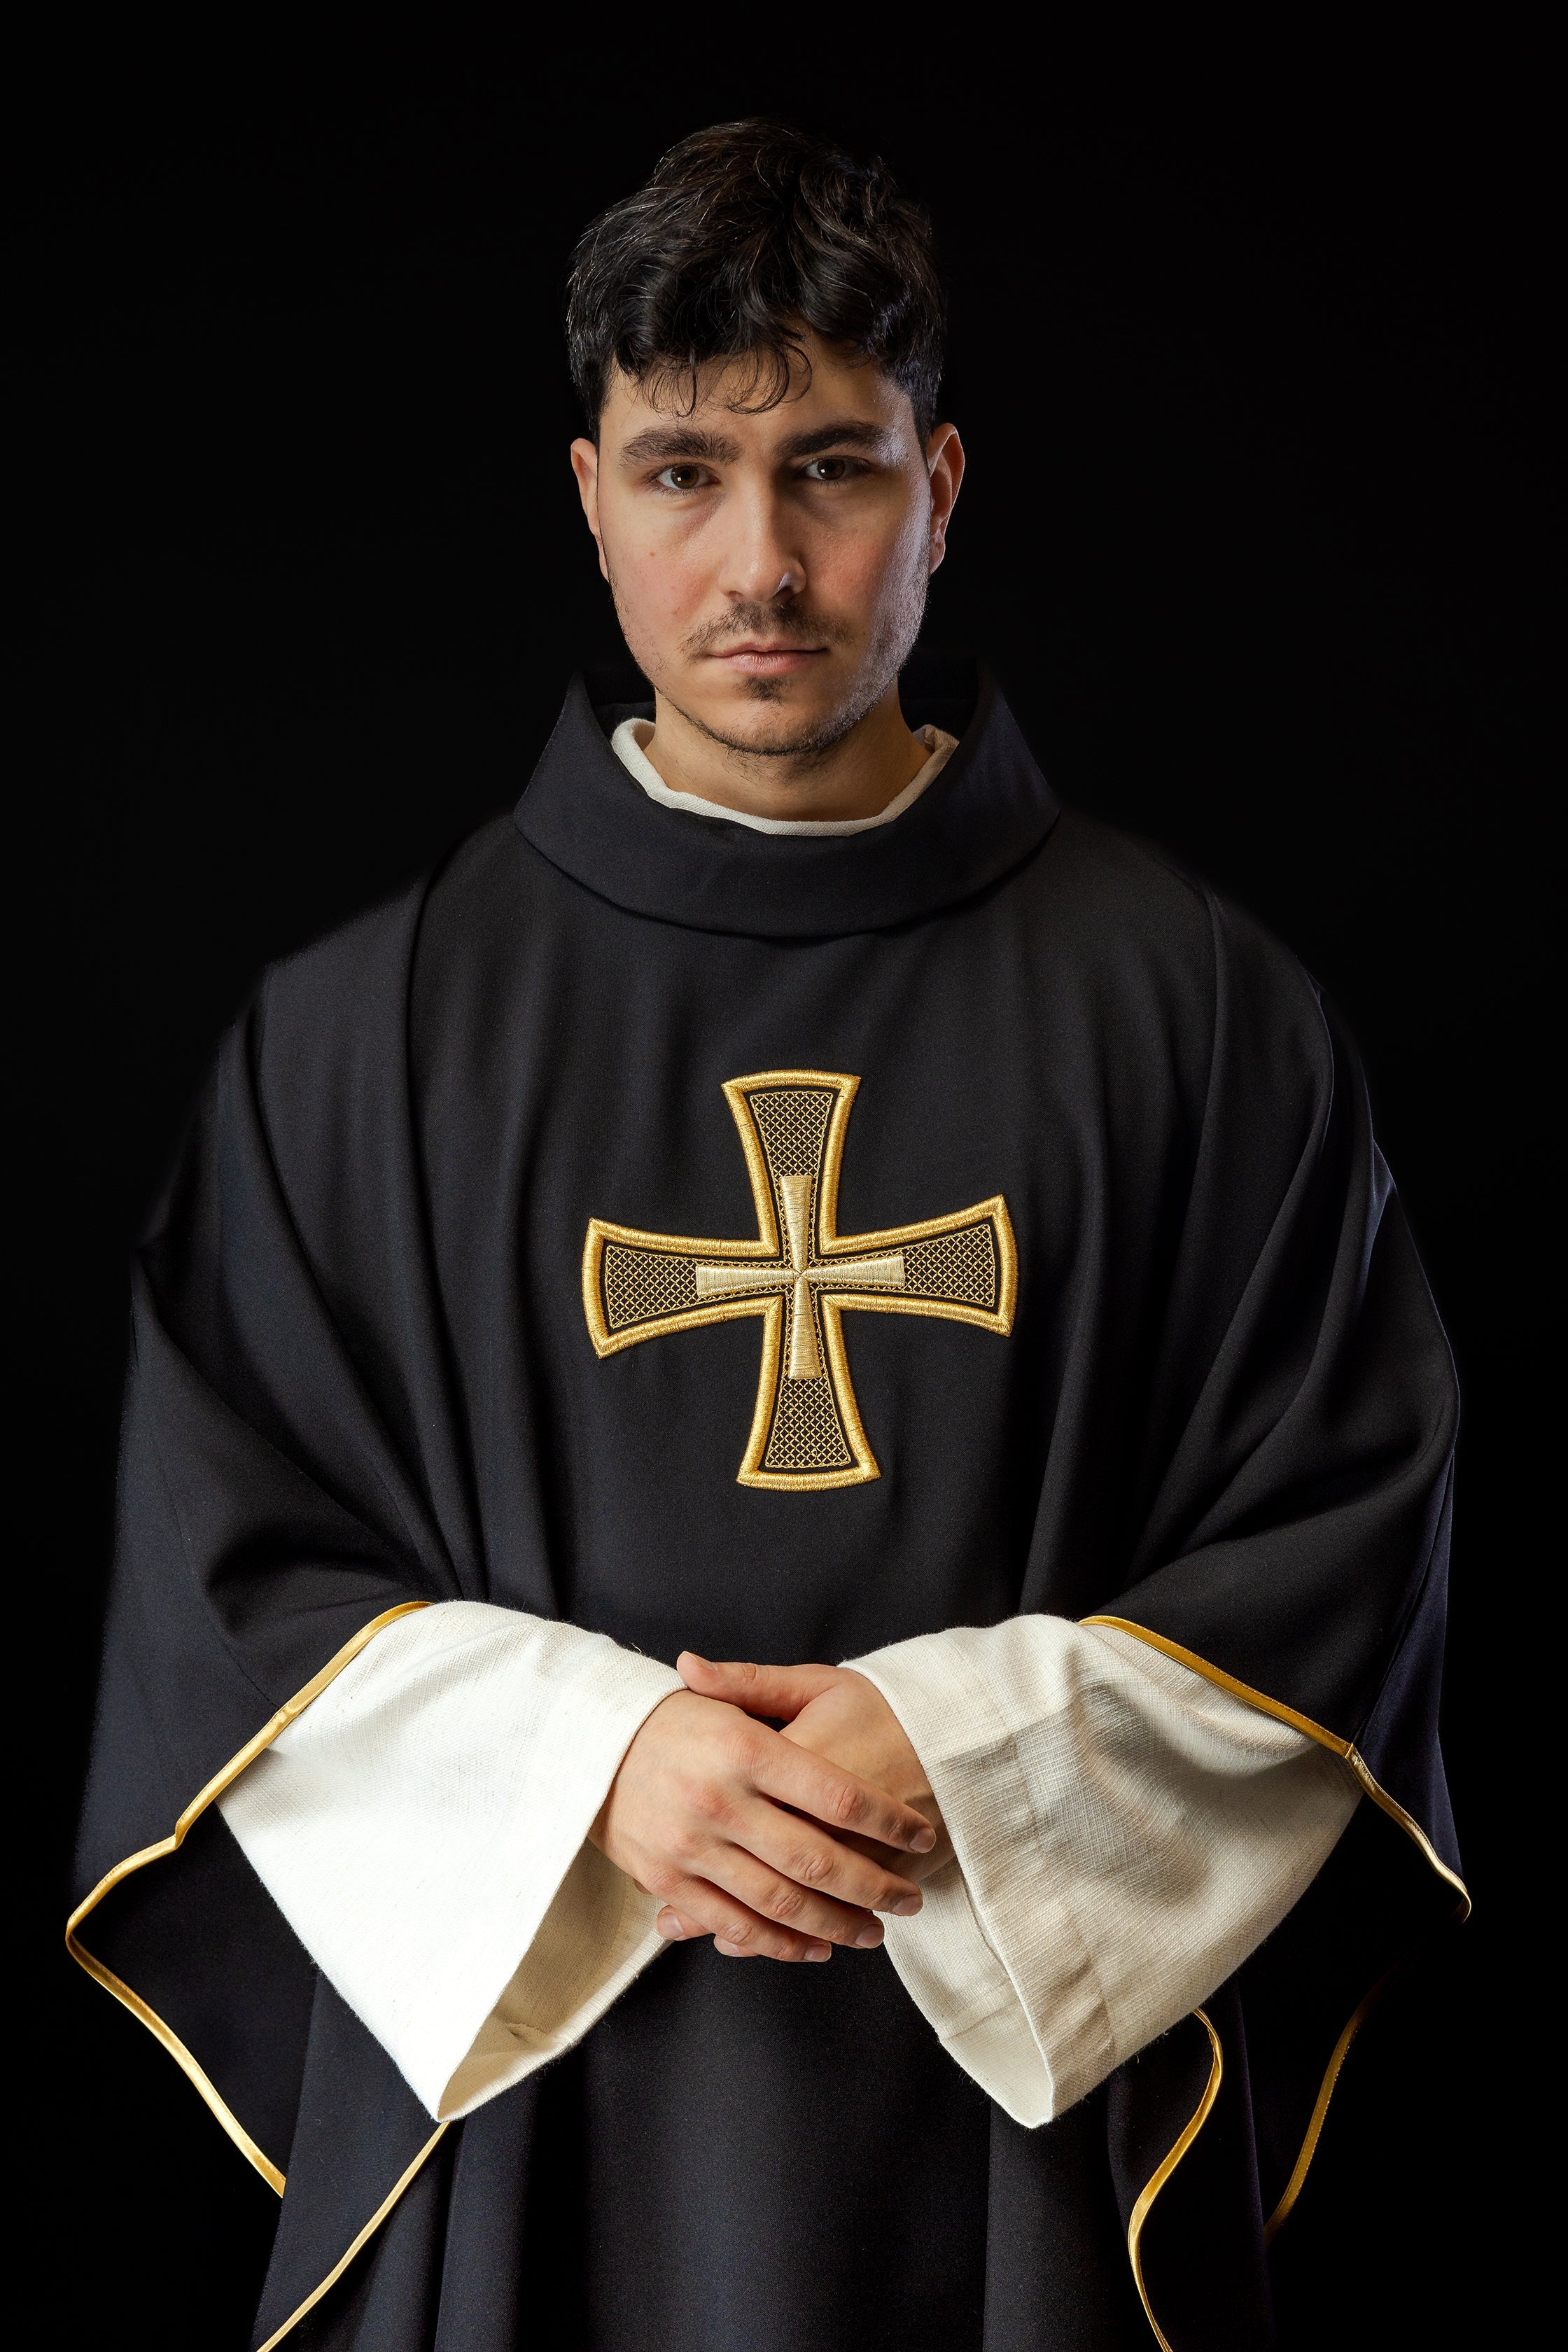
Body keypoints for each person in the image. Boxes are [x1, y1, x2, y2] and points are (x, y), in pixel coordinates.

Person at [69, 120, 1465, 2352]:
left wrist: (971, 1758)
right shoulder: (362, 1039)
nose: (764, 568)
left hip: (1025, 2129)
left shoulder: (1200, 1013)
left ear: (945, 490)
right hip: (542, 2122)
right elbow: (223, 1585)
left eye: (832, 470)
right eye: (683, 471)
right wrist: (592, 1766)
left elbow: (1345, 1534)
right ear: (587, 497)